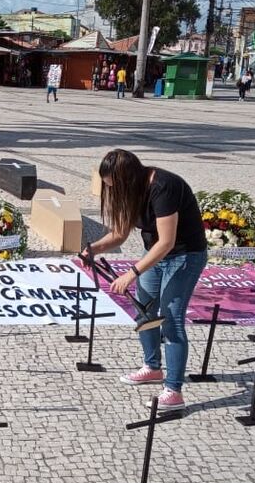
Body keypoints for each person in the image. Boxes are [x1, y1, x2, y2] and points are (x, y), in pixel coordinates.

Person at [84, 149, 208, 409]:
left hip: (184, 255)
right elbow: (119, 233)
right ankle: (152, 367)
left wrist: (132, 273)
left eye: (114, 186)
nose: (112, 193)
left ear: (128, 178)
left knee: (171, 319)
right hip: (155, 254)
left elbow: (167, 242)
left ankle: (174, 390)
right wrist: (92, 249)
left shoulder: (164, 187)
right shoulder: (130, 191)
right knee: (145, 312)